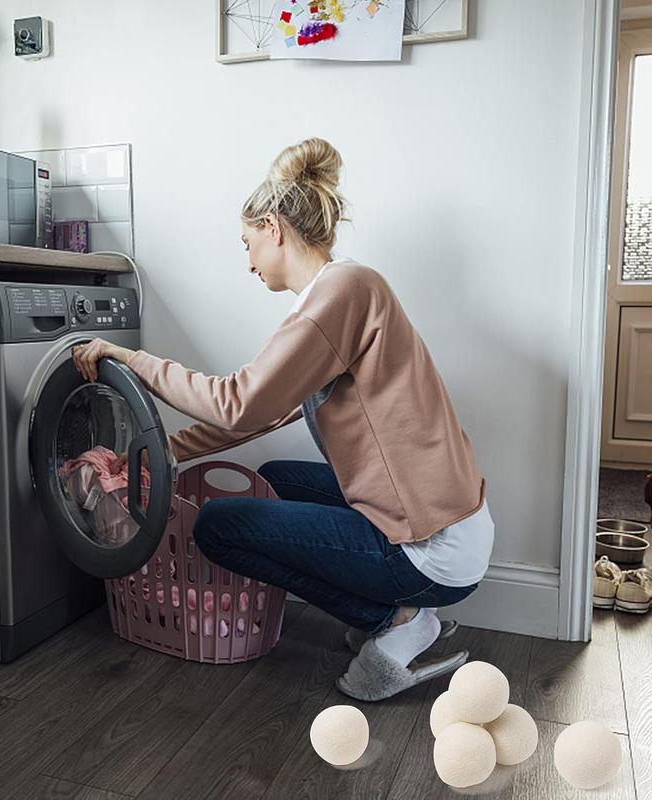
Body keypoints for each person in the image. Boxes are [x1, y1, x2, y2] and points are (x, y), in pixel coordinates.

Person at [72, 137, 494, 701]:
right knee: (277, 475)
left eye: (247, 243)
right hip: (441, 522)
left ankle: (396, 622)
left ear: (273, 226)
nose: (246, 261)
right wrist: (161, 453)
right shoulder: (342, 294)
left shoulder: (341, 292)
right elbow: (257, 416)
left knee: (216, 529)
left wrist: (131, 358)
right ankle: (402, 616)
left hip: (430, 547)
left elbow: (236, 402)